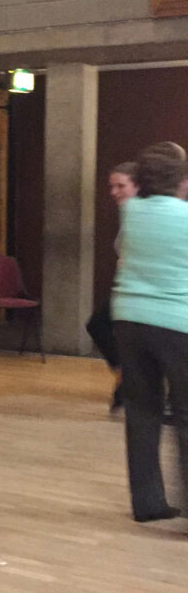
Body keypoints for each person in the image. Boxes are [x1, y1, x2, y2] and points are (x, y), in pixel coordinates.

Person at [111, 144, 188, 523]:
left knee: (141, 412)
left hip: (128, 319)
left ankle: (148, 504)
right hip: (178, 324)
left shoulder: (132, 212)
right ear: (181, 180)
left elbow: (123, 251)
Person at [85, 162, 138, 411]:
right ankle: (124, 377)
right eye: (112, 186)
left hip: (141, 288)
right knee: (99, 325)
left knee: (100, 324)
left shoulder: (142, 213)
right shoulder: (127, 211)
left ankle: (126, 380)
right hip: (128, 284)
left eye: (121, 186)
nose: (114, 192)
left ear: (137, 186)